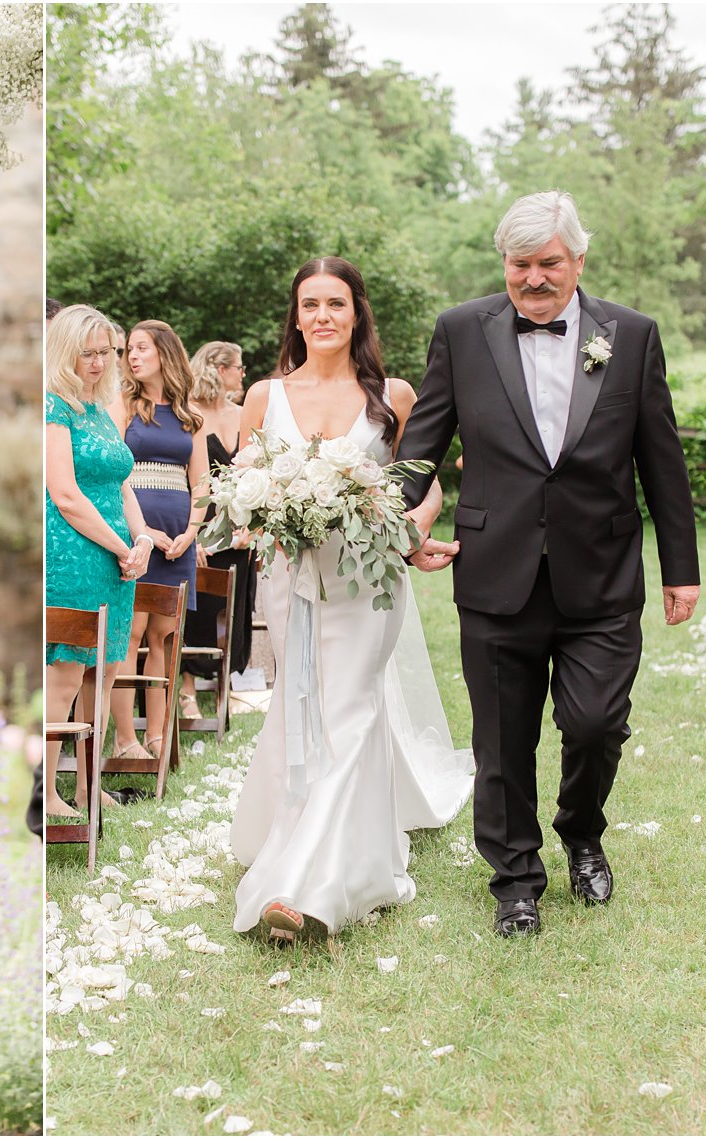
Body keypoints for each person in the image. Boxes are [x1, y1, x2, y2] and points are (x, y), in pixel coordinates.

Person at [398, 191, 701, 938]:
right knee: (501, 738)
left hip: (601, 572)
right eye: (520, 265)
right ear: (504, 263)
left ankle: (582, 829)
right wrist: (391, 524)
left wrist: (680, 566)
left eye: (549, 264)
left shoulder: (630, 335)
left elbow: (661, 457)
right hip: (495, 568)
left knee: (597, 722)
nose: (534, 279)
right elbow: (421, 446)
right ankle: (516, 880)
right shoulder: (462, 331)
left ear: (578, 261)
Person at [228, 259, 473, 941]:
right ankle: (316, 844)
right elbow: (238, 489)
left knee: (353, 706)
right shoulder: (262, 396)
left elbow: (425, 484)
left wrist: (412, 532)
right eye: (310, 304)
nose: (323, 316)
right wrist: (261, 518)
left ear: (358, 312)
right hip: (289, 578)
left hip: (367, 582)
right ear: (296, 315)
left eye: (336, 303)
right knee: (300, 702)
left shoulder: (391, 394)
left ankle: (309, 888)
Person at [44, 304, 152, 817]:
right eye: (87, 353)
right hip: (74, 552)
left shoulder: (103, 411)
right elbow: (65, 494)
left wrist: (143, 538)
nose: (98, 362)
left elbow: (123, 484)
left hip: (117, 555)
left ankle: (89, 785)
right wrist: (118, 545)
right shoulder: (52, 406)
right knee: (66, 672)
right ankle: (43, 794)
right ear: (65, 351)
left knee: (105, 673)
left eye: (105, 352)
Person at [109, 320, 208, 760]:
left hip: (179, 536)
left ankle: (158, 732)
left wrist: (191, 531)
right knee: (130, 633)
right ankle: (125, 736)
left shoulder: (190, 415)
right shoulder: (124, 405)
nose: (132, 356)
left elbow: (201, 480)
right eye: (129, 349)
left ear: (165, 353)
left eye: (141, 348)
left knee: (165, 635)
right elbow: (113, 471)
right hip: (136, 529)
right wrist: (143, 532)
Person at [180, 341, 255, 718]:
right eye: (238, 368)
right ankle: (187, 689)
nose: (242, 375)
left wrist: (252, 527)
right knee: (197, 610)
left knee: (235, 608)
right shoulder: (187, 413)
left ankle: (227, 686)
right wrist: (192, 534)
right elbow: (184, 478)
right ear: (219, 369)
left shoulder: (244, 414)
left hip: (240, 531)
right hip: (201, 529)